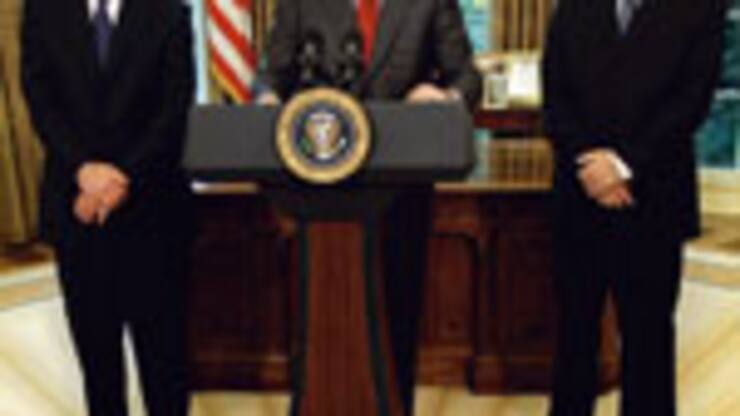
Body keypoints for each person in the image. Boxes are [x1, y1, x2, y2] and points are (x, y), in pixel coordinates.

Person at [263, 0, 481, 413]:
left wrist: (447, 96)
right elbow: (272, 75)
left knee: (397, 312)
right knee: (323, 315)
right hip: (321, 190)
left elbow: (467, 77)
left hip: (402, 188)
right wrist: (266, 99)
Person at [543, 0, 725, 415]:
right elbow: (556, 100)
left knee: (649, 342)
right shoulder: (573, 7)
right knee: (573, 338)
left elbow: (691, 103)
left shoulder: (700, 8)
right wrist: (592, 168)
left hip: (654, 202)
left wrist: (624, 165)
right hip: (580, 196)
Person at [21, 0, 195, 414]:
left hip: (153, 211)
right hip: (77, 211)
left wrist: (121, 176)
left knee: (164, 363)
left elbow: (175, 106)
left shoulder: (168, 10)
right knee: (98, 366)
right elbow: (40, 99)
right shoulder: (43, 9)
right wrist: (84, 170)